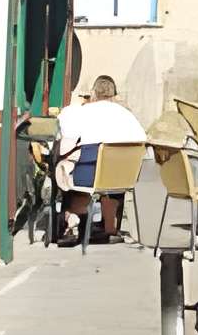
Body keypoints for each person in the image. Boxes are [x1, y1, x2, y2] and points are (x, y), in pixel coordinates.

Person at [55, 74, 146, 245]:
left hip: (88, 177)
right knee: (112, 172)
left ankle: (72, 219)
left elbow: (65, 146)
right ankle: (110, 226)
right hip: (123, 178)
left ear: (93, 94)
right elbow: (143, 143)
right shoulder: (128, 116)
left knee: (67, 167)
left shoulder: (80, 113)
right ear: (114, 96)